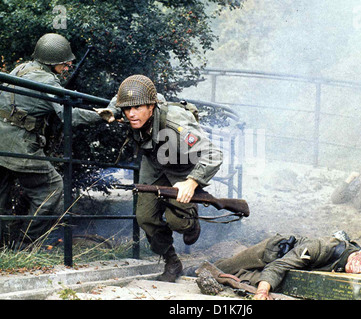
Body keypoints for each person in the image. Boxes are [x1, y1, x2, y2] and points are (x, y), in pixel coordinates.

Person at [0, 33, 115, 248]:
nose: (67, 66)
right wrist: (101, 114)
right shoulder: (46, 80)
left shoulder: (21, 69)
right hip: (20, 145)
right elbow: (70, 115)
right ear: (52, 62)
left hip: (2, 143)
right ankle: (24, 244)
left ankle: (3, 247)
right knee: (53, 190)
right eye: (64, 62)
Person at [111, 74, 223, 282]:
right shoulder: (134, 106)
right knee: (145, 218)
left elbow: (213, 154)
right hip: (154, 165)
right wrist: (113, 110)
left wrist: (192, 182)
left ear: (152, 107)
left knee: (177, 222)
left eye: (138, 108)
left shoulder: (175, 123)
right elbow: (122, 100)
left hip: (182, 168)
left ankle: (190, 222)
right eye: (127, 109)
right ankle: (172, 261)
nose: (131, 114)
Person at [205, 232, 361, 300]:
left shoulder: (351, 266)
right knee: (225, 268)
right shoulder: (323, 248)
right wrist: (262, 293)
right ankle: (194, 268)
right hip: (273, 253)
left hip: (294, 270)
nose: (358, 268)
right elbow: (280, 265)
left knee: (247, 280)